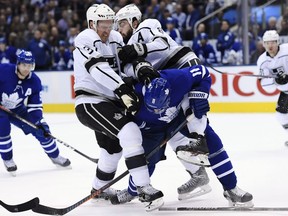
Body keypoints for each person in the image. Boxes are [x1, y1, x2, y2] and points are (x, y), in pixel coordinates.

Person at [111, 62, 254, 207]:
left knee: (212, 143)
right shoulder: (131, 94)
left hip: (178, 117)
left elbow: (203, 72)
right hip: (150, 129)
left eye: (159, 107)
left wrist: (200, 95)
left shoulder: (178, 79)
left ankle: (232, 188)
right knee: (145, 160)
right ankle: (132, 191)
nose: (156, 111)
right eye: (152, 108)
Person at [114, 2, 211, 199]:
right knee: (174, 131)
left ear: (134, 20)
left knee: (190, 114)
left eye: (121, 24)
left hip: (181, 68)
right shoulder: (126, 44)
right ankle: (198, 174)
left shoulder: (146, 25)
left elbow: (162, 44)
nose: (119, 29)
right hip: (167, 81)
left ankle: (200, 147)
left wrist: (136, 49)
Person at [73, 4, 163, 211]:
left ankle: (99, 189)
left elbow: (124, 65)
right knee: (130, 133)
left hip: (109, 101)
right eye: (102, 24)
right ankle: (143, 188)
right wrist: (122, 88)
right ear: (91, 24)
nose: (106, 29)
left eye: (109, 24)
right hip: (90, 102)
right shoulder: (84, 38)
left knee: (111, 151)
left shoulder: (114, 38)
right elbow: (98, 69)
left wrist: (141, 70)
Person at [0, 50, 71, 176]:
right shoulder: (4, 70)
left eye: (30, 66)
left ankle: (55, 156)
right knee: (3, 127)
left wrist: (38, 121)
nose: (27, 69)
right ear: (18, 64)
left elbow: (35, 105)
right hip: (0, 108)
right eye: (24, 65)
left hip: (18, 108)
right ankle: (8, 159)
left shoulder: (35, 81)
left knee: (43, 131)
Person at [257, 30, 288, 146]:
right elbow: (265, 86)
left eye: (273, 42)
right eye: (267, 42)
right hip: (286, 91)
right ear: (263, 44)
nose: (270, 45)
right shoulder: (262, 61)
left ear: (278, 42)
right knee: (281, 115)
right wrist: (276, 80)